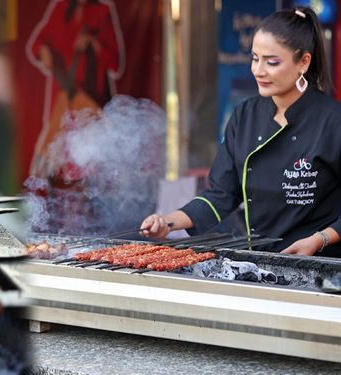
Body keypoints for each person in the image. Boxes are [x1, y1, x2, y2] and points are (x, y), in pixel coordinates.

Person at [140, 7, 341, 257]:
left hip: (323, 267)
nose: (258, 70)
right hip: (258, 262)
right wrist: (167, 223)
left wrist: (320, 239)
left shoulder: (332, 120)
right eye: (255, 58)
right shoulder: (244, 116)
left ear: (303, 62)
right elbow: (221, 194)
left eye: (272, 61)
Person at [26, 0, 124, 178]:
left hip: (91, 97)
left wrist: (94, 43)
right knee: (50, 158)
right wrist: (43, 51)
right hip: (63, 95)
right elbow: (35, 46)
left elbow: (116, 63)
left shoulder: (102, 12)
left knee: (94, 163)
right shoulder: (60, 8)